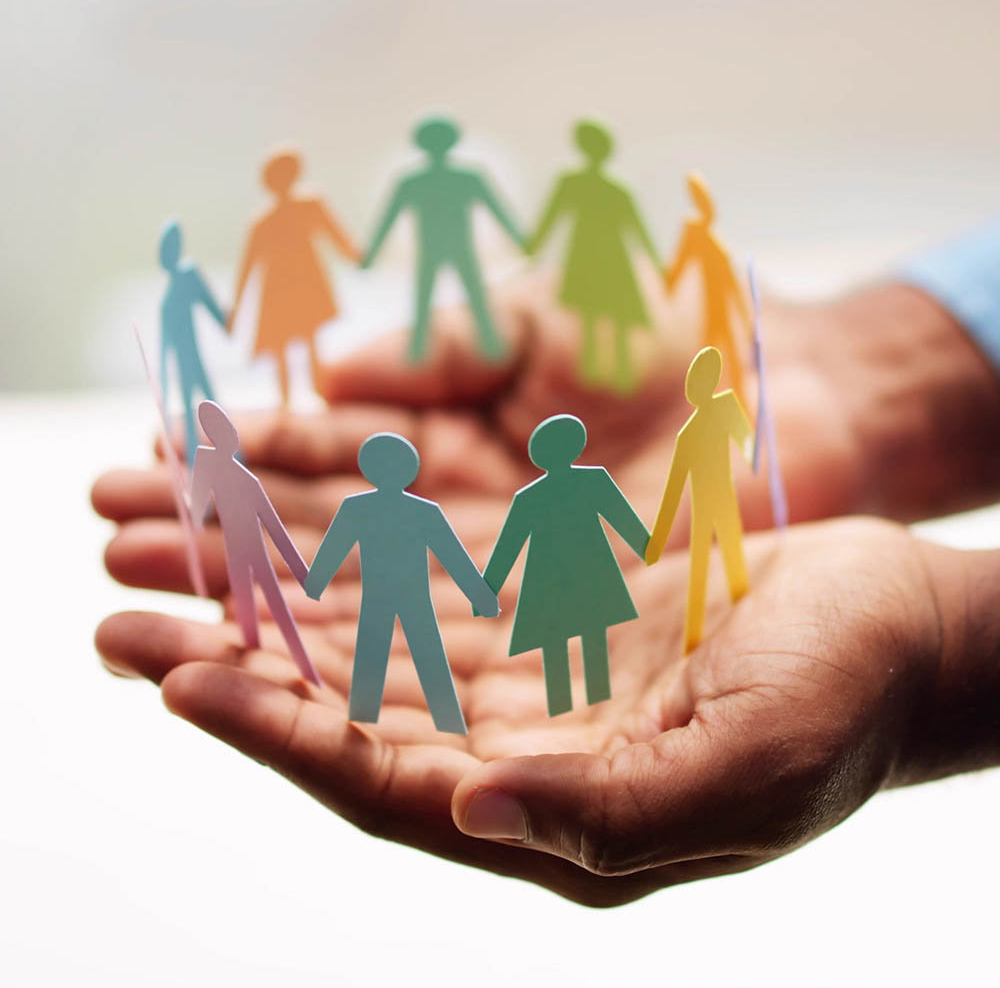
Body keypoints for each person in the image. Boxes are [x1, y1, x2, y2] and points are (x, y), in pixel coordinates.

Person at [92, 223, 1000, 907]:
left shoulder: (495, 500)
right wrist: (867, 367)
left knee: (464, 652)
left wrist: (957, 638)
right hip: (542, 582)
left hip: (529, 581)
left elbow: (472, 536)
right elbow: (433, 542)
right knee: (465, 655)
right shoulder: (483, 499)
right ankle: (444, 691)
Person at [302, 431, 500, 734]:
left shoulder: (383, 509)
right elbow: (335, 547)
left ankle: (437, 718)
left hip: (402, 594)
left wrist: (315, 583)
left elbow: (453, 555)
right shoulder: (407, 510)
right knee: (398, 651)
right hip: (395, 594)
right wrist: (480, 596)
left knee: (408, 650)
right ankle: (399, 716)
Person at [481, 414, 648, 716]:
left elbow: (508, 546)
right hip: (579, 569)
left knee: (567, 635)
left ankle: (579, 699)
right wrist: (646, 548)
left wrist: (486, 591)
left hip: (566, 571)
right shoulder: (580, 484)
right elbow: (510, 543)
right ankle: (579, 698)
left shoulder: (536, 495)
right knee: (582, 631)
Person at [362, 117, 524, 362]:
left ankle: (488, 345)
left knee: (472, 296)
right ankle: (419, 350)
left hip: (456, 247)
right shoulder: (413, 181)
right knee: (428, 297)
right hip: (434, 249)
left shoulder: (463, 177)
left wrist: (521, 242)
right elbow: (388, 219)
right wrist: (371, 254)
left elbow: (498, 210)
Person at [190, 400, 321, 686]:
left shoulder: (241, 475)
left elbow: (273, 525)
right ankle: (257, 654)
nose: (231, 438)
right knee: (253, 605)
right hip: (237, 546)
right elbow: (199, 507)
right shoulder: (212, 464)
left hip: (252, 544)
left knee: (272, 602)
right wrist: (196, 521)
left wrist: (302, 573)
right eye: (224, 431)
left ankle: (301, 666)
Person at [527, 121, 659, 393]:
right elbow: (553, 216)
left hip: (605, 255)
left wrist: (532, 248)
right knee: (594, 316)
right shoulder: (599, 186)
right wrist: (532, 250)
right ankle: (597, 378)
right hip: (593, 255)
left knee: (605, 316)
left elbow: (637, 227)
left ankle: (618, 376)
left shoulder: (609, 188)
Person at [645, 346, 754, 653]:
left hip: (724, 493)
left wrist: (755, 457)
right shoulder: (688, 434)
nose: (697, 389)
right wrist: (657, 541)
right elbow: (675, 488)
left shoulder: (726, 407)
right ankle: (694, 631)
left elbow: (746, 440)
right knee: (701, 564)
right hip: (703, 502)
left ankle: (740, 606)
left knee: (731, 554)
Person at [231, 149, 360, 405]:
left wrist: (357, 257)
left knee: (308, 343)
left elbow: (337, 236)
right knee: (287, 348)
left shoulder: (308, 206)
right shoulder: (263, 222)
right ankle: (287, 404)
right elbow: (248, 267)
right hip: (280, 290)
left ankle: (319, 398)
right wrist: (235, 310)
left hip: (303, 285)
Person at [664, 173, 752, 406]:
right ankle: (706, 415)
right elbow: (680, 262)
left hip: (725, 312)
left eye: (707, 200)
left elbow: (733, 285)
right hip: (712, 312)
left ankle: (742, 410)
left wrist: (746, 322)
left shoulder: (714, 239)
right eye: (701, 199)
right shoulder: (694, 231)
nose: (708, 206)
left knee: (733, 362)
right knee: (709, 364)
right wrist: (668, 285)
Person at [158, 221, 227, 466]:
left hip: (194, 362)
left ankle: (235, 457)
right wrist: (163, 392)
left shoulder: (188, 277)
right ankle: (196, 470)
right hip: (185, 368)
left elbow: (208, 301)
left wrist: (225, 322)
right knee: (191, 416)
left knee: (213, 408)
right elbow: (164, 350)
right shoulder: (166, 302)